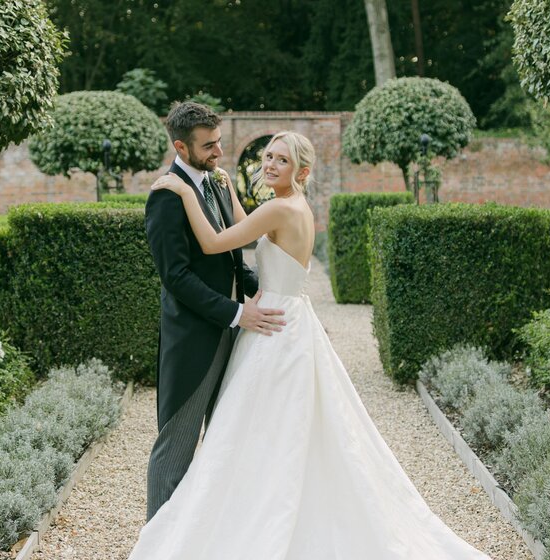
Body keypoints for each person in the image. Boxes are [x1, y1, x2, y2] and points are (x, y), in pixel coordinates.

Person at [129, 130, 492, 559]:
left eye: (281, 160)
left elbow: (213, 242)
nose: (269, 165)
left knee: (260, 430)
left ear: (301, 171)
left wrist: (182, 190)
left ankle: (248, 521)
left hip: (272, 329)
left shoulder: (279, 209)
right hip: (289, 318)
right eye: (267, 157)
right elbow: (245, 226)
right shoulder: (290, 207)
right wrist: (223, 190)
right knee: (283, 427)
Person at [143, 101, 287, 522]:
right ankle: (157, 546)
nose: (219, 153)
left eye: (219, 142)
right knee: (174, 449)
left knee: (228, 443)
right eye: (208, 146)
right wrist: (237, 313)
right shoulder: (166, 195)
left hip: (234, 334)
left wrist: (272, 294)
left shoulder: (219, 183)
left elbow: (232, 259)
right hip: (193, 340)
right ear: (180, 147)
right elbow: (177, 278)